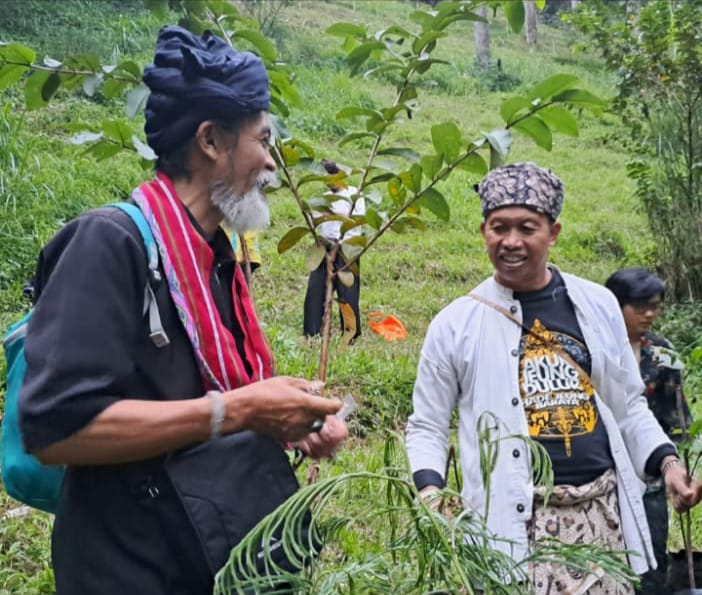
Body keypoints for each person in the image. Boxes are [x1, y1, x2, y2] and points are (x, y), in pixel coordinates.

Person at [18, 26, 347, 595]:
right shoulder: (107, 242)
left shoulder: (214, 255)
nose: (271, 164)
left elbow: (210, 390)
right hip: (128, 566)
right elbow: (54, 430)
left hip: (201, 550)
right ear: (211, 142)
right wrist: (236, 411)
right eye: (262, 141)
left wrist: (288, 419)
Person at [405, 162, 701, 594]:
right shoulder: (456, 324)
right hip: (511, 526)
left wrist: (668, 465)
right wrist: (432, 491)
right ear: (483, 230)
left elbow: (628, 405)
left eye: (527, 227)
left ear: (554, 232)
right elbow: (427, 425)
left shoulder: (597, 304)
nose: (511, 241)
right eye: (498, 227)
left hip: (601, 520)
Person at [605, 267, 693, 595]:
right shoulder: (595, 350)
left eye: (655, 306)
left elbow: (678, 416)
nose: (650, 314)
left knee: (652, 566)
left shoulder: (661, 352)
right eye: (640, 307)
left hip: (653, 480)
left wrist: (679, 468)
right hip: (605, 480)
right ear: (616, 305)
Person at [303, 159, 365, 341]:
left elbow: (357, 219)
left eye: (331, 179)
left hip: (348, 247)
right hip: (325, 247)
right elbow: (316, 221)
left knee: (348, 294)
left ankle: (351, 333)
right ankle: (312, 333)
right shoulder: (323, 198)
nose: (328, 184)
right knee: (315, 290)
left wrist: (331, 213)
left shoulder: (355, 195)